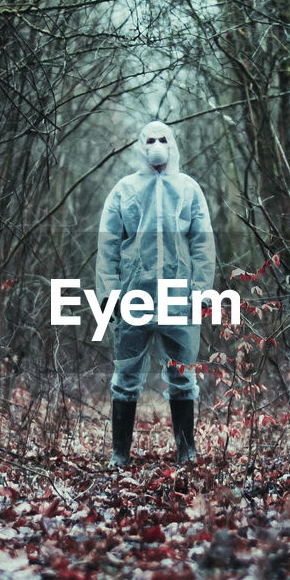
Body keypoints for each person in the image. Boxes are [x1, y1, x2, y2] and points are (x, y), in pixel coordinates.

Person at [96, 119, 215, 467]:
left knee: (182, 374)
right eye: (150, 139)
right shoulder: (123, 190)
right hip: (134, 294)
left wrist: (200, 291)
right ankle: (120, 455)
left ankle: (186, 451)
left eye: (163, 138)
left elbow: (203, 244)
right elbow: (108, 245)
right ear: (140, 145)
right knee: (126, 377)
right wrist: (109, 293)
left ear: (173, 143)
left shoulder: (189, 189)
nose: (157, 144)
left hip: (178, 297)